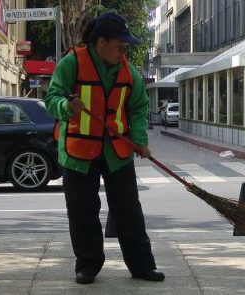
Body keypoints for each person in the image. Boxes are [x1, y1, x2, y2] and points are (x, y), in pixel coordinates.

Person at [44, 12, 164, 284]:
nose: (124, 50)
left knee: (129, 210)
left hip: (116, 152)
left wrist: (140, 140)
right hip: (79, 152)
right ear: (101, 42)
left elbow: (137, 108)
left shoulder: (127, 70)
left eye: (126, 46)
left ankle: (142, 266)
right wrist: (66, 106)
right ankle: (87, 265)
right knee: (83, 212)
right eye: (120, 44)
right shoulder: (72, 63)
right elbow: (51, 99)